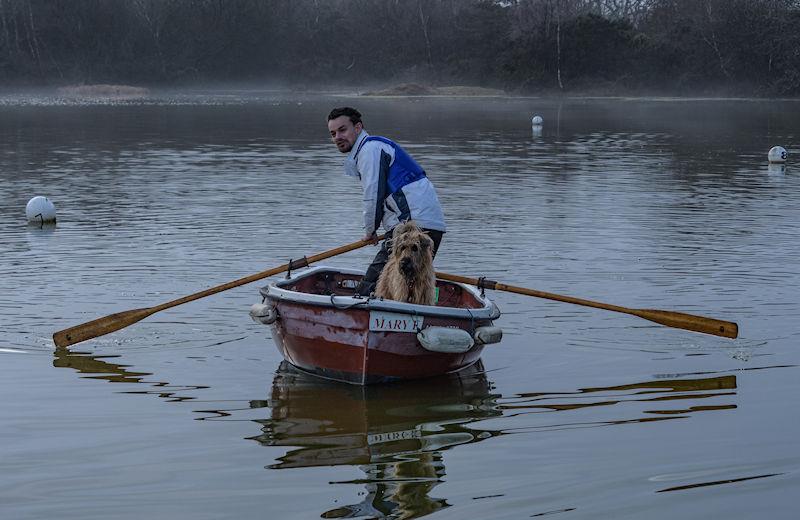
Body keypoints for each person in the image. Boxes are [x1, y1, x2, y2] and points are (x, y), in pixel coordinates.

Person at [327, 106, 446, 296]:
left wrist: (370, 232)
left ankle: (361, 315)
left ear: (358, 127)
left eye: (342, 130)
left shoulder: (369, 149)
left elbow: (372, 196)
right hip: (428, 223)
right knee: (413, 282)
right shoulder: (374, 147)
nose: (337, 137)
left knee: (374, 284)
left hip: (413, 225)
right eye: (333, 133)